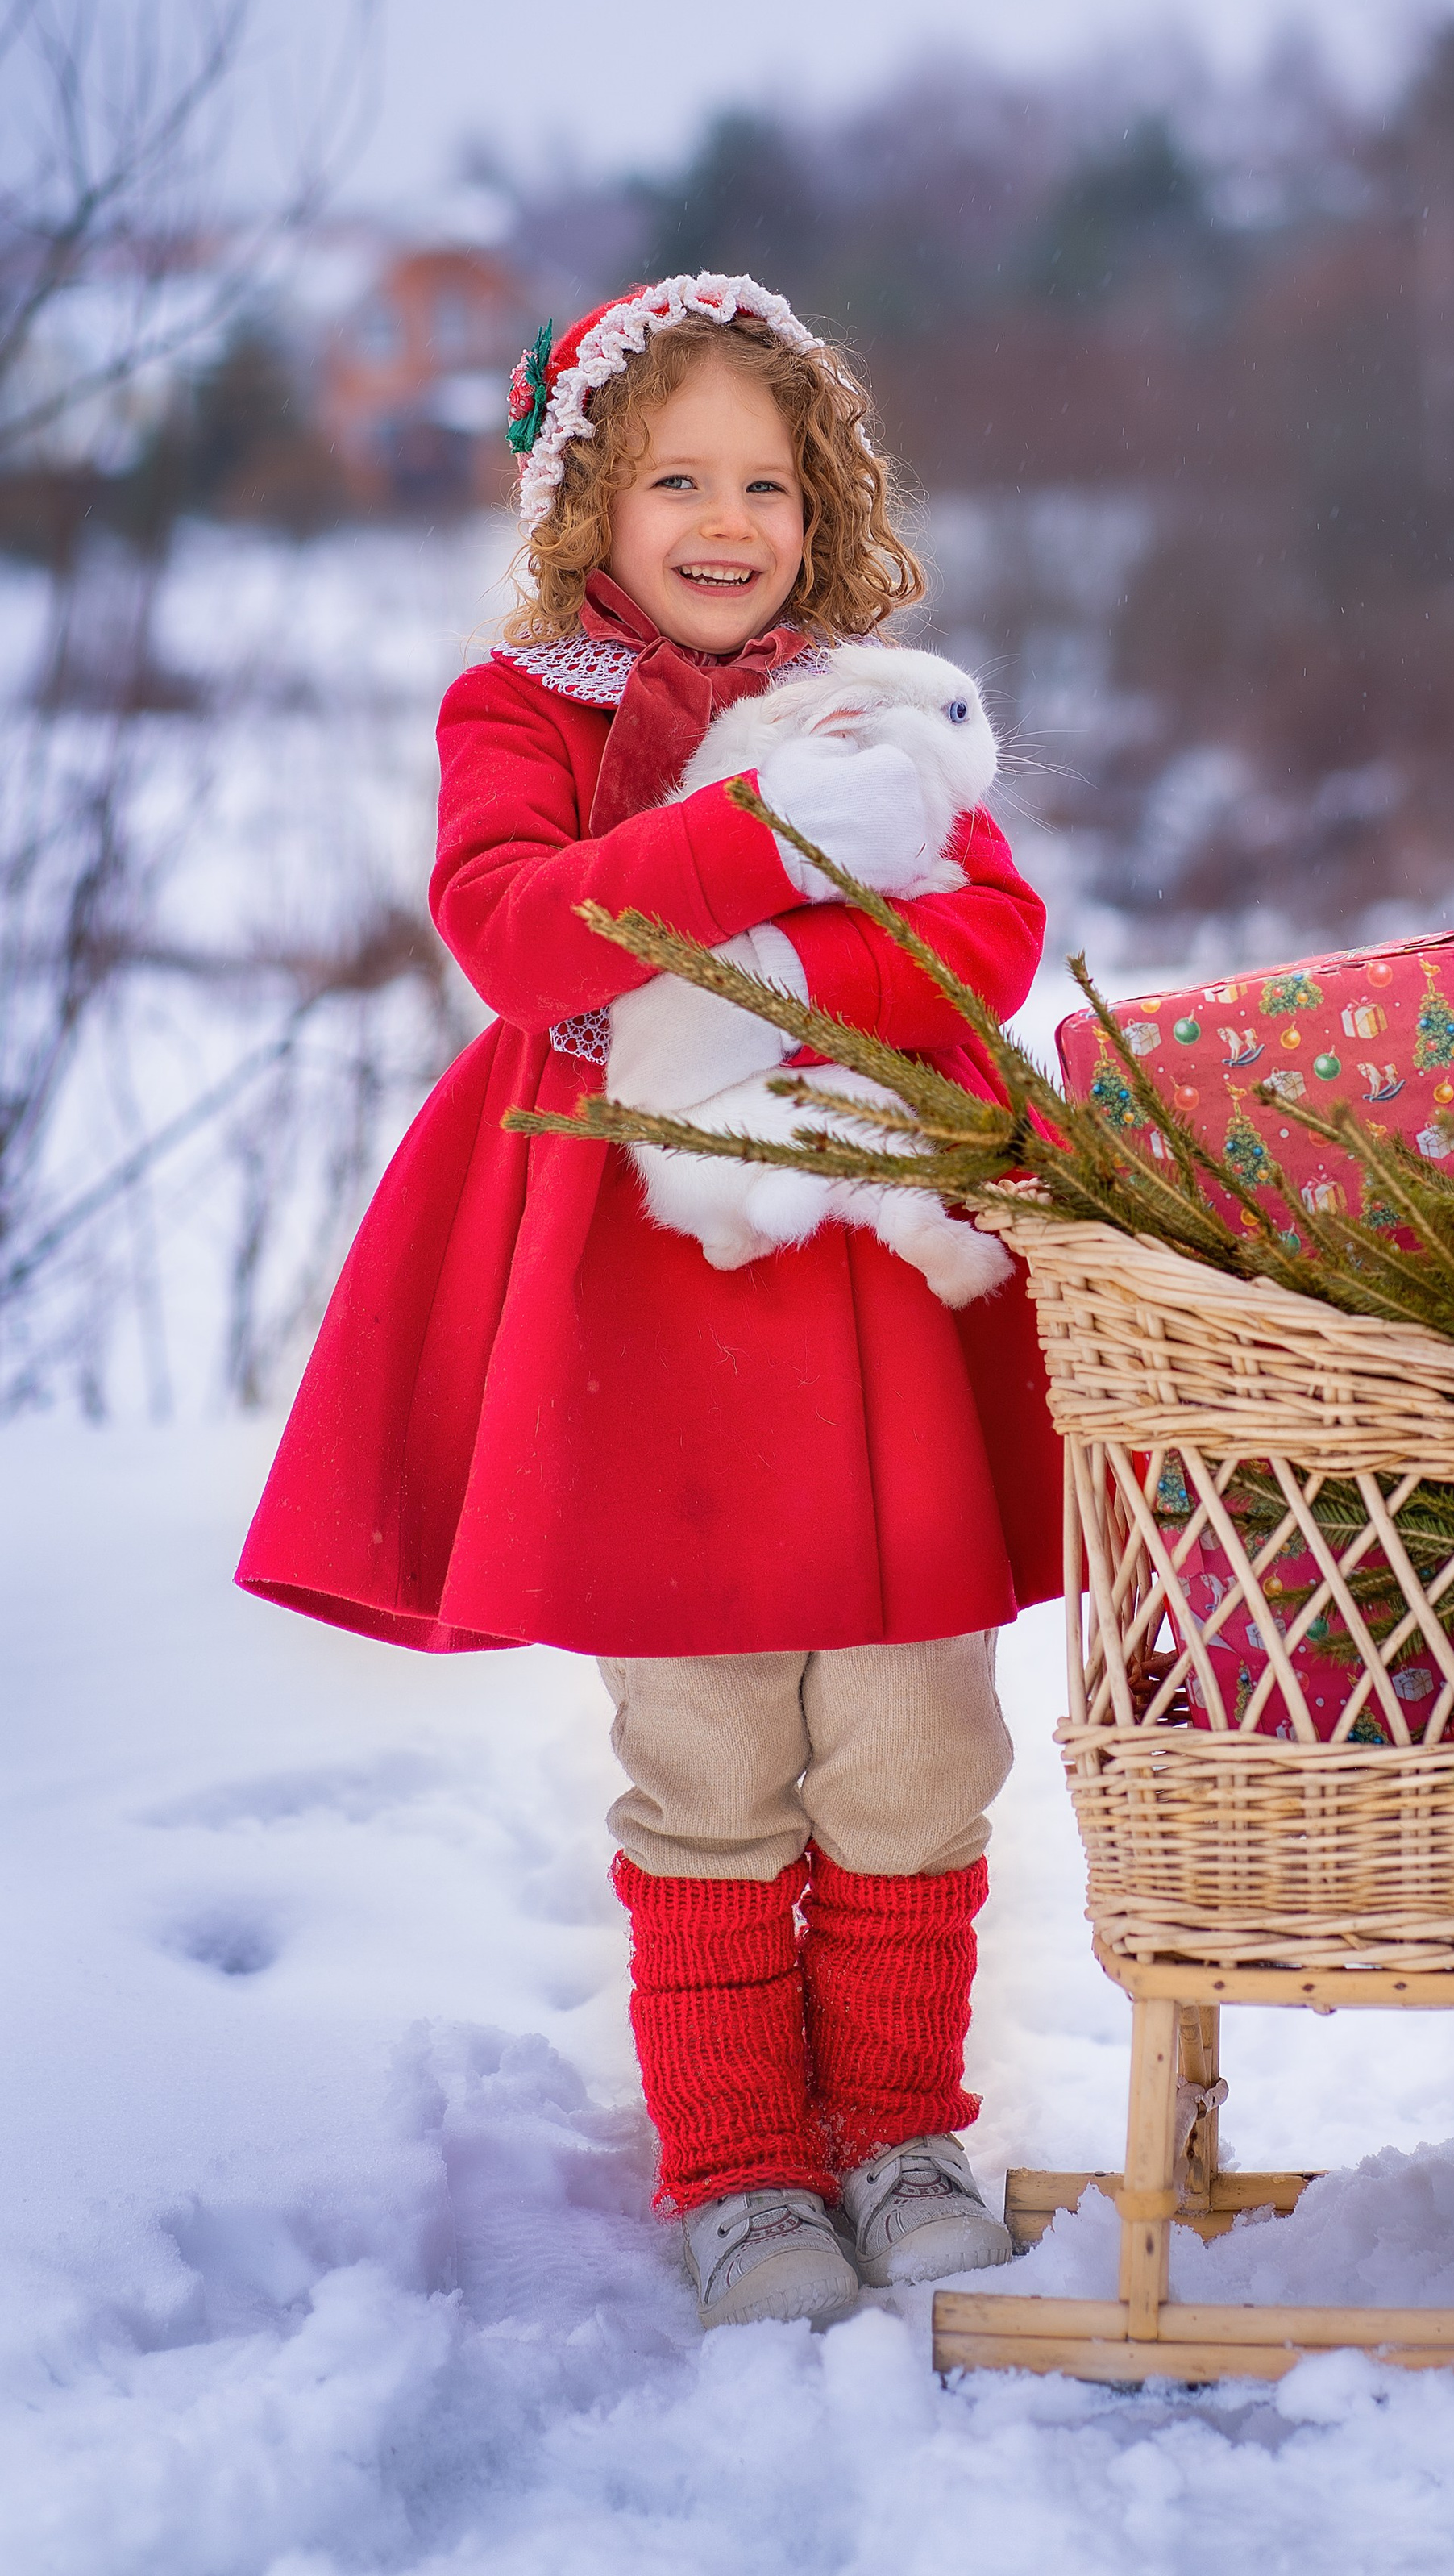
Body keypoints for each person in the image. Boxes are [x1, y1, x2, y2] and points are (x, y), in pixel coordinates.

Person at [238, 273, 1061, 2326]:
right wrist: (753, 846)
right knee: (705, 1743)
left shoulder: (879, 702)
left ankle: (899, 2127)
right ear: (586, 500)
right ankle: (741, 2169)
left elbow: (985, 934)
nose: (723, 517)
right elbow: (520, 937)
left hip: (868, 1277)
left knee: (909, 1728)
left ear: (821, 505)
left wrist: (777, 977)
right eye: (673, 475)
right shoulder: (528, 709)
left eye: (764, 481)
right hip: (634, 1299)